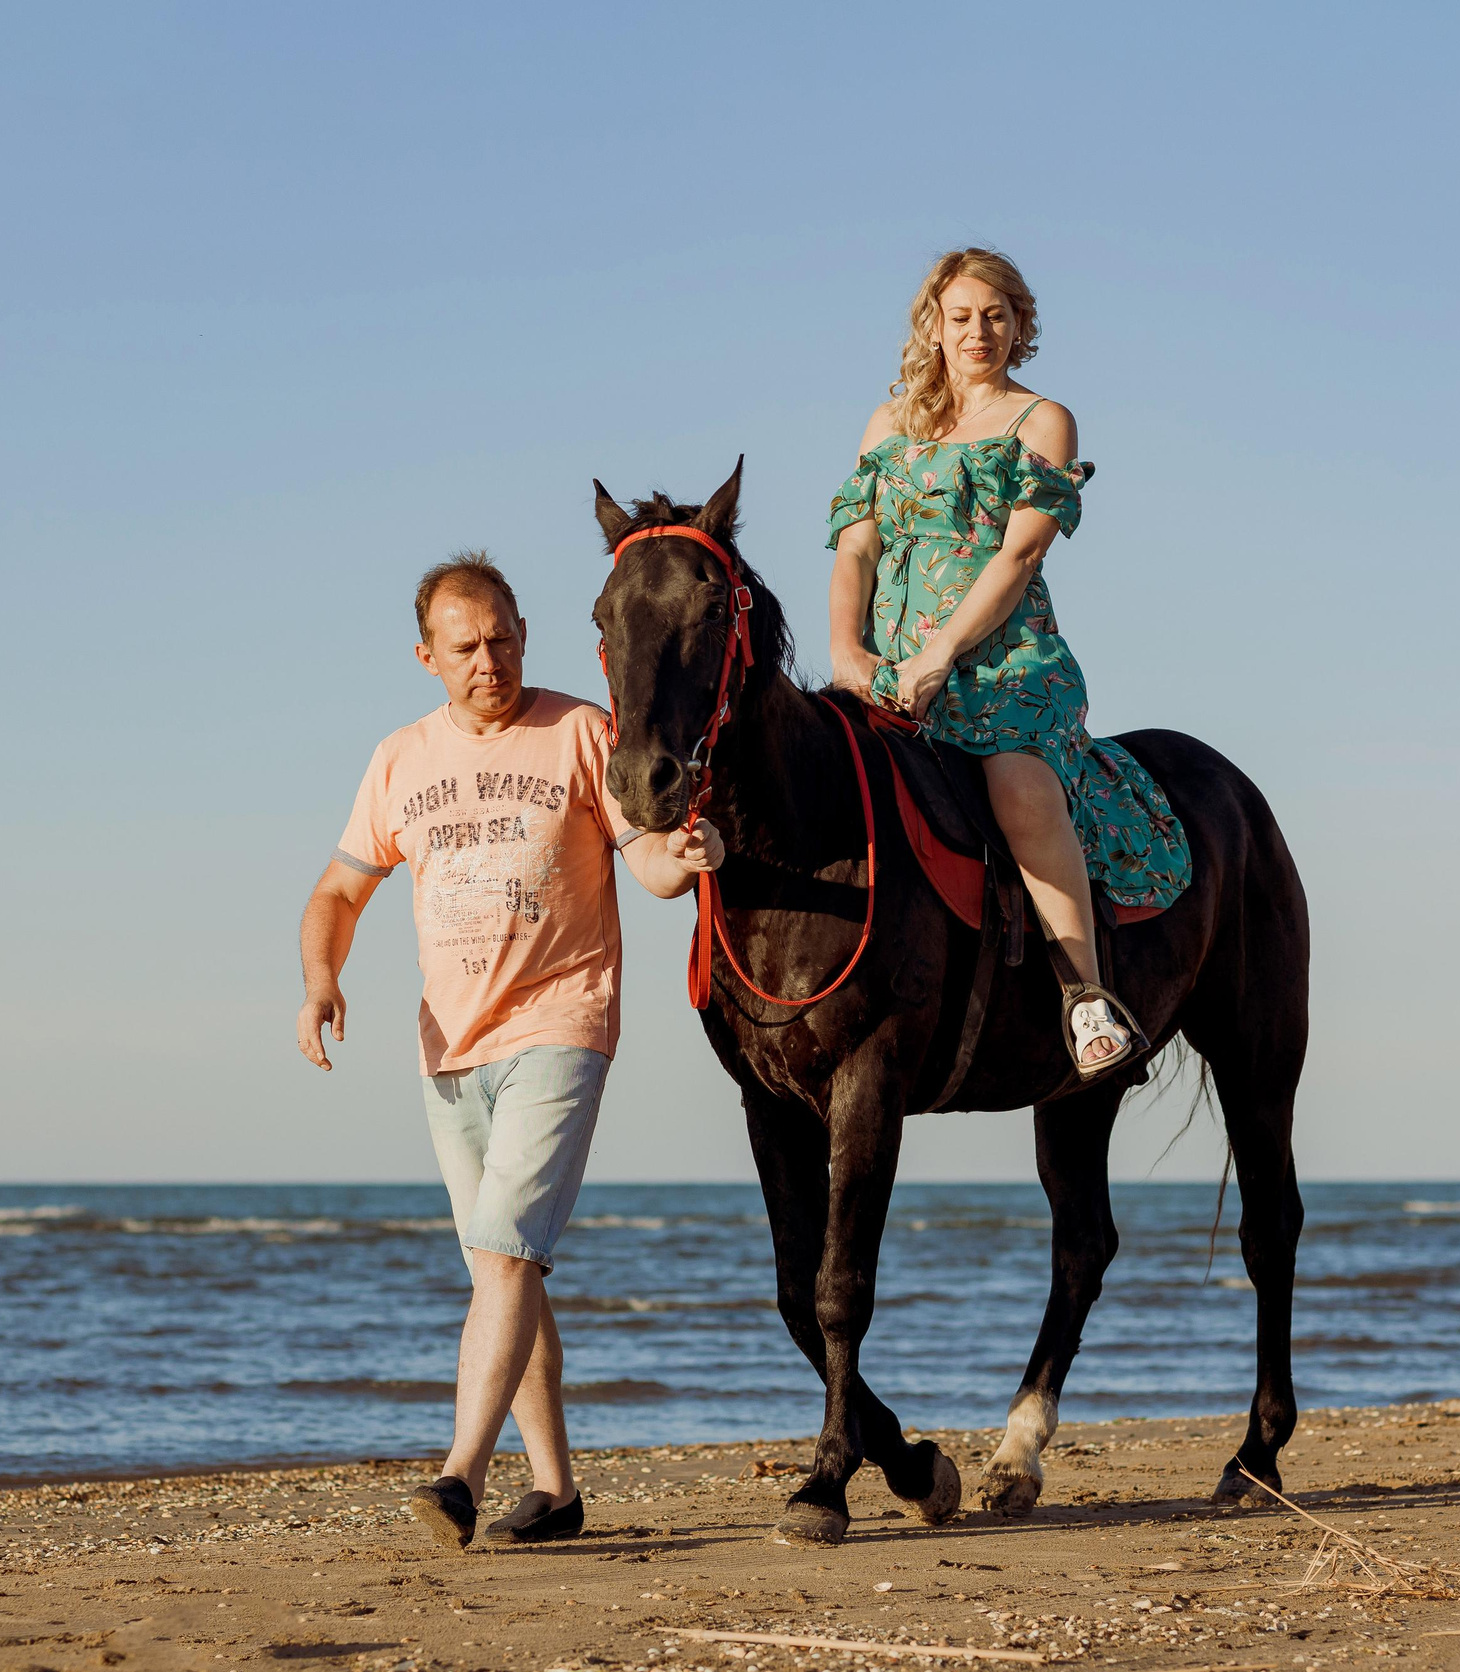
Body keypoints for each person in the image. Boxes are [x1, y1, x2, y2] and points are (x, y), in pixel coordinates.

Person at [295, 551, 722, 1551]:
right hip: (449, 1050)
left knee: (501, 1254)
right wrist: (321, 981)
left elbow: (648, 859)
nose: (489, 660)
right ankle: (558, 1490)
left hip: (560, 1027)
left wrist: (685, 854)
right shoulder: (398, 758)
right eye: (466, 647)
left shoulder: (580, 731)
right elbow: (336, 892)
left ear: (526, 636)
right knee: (507, 1269)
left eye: (503, 639)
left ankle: (457, 1477)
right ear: (427, 657)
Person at [826, 248, 1192, 1081]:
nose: (977, 331)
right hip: (886, 668)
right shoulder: (888, 427)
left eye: (995, 314)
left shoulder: (1042, 421)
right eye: (960, 316)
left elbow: (1020, 555)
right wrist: (848, 650)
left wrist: (940, 654)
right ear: (935, 326)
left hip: (1004, 670)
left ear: (1020, 324)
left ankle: (1086, 996)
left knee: (1021, 787)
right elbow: (856, 548)